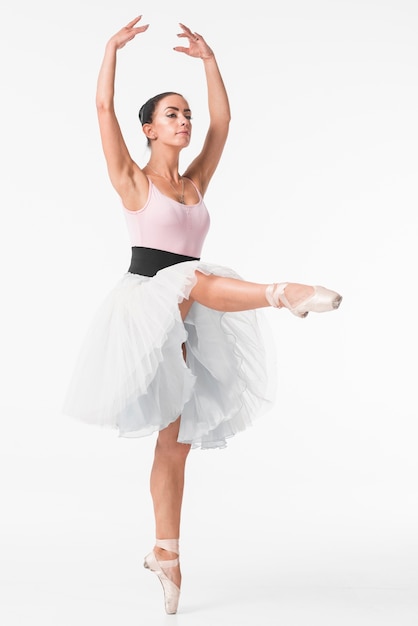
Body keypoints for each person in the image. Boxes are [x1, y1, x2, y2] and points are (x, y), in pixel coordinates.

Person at [63, 16, 342, 615]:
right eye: (172, 113)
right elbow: (102, 106)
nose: (184, 121)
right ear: (149, 128)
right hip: (148, 300)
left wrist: (209, 61)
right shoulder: (133, 181)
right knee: (195, 275)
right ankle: (282, 293)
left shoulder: (193, 184)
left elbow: (224, 123)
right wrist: (111, 49)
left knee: (176, 441)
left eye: (185, 113)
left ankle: (166, 552)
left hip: (189, 311)